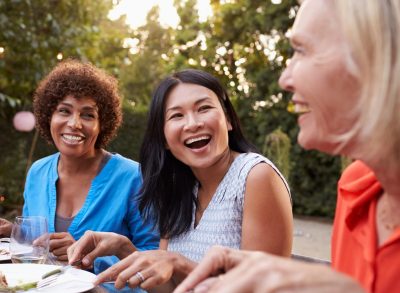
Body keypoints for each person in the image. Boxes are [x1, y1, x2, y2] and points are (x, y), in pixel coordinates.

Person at [174, 0, 400, 292]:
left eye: (301, 50)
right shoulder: (355, 189)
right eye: (176, 115)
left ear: (380, 56)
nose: (285, 79)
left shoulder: (254, 174)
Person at [68, 69, 293, 291]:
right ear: (164, 138)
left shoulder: (256, 176)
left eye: (204, 108)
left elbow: (261, 287)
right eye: (177, 115)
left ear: (228, 120)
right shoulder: (177, 189)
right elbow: (170, 288)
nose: (193, 124)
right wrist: (124, 249)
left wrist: (179, 264)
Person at [0, 60, 159, 273]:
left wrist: (88, 259)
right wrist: (13, 233)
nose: (74, 123)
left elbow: (154, 256)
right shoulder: (38, 172)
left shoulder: (133, 178)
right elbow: (36, 244)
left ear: (102, 124)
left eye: (87, 115)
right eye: (64, 111)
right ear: (49, 117)